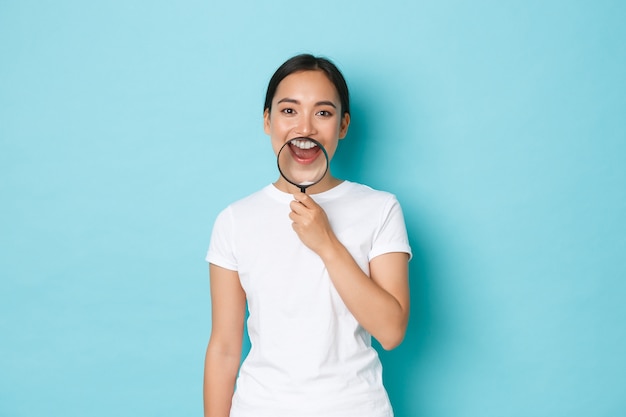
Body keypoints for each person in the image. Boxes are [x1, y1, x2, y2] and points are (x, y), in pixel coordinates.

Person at [204, 54, 412, 417]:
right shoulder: (235, 219)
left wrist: (326, 243)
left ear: (343, 125)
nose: (305, 128)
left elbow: (391, 331)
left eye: (323, 113)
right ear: (267, 120)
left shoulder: (380, 209)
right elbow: (223, 347)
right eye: (289, 111)